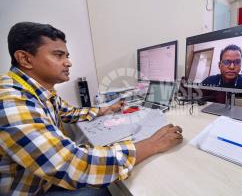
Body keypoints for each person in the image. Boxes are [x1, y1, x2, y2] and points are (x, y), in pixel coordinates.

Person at [0, 22, 183, 196]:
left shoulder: (35, 89)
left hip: (41, 180)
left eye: (67, 55)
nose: (68, 62)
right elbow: (73, 165)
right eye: (58, 55)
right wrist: (150, 144)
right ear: (24, 58)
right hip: (33, 191)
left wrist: (103, 110)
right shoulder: (12, 101)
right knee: (102, 189)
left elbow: (67, 111)